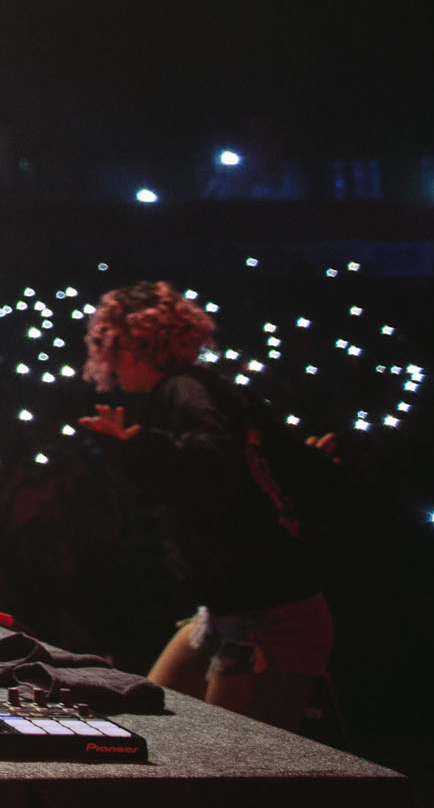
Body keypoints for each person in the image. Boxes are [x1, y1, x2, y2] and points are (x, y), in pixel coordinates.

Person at [75, 279, 339, 733]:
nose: (112, 370)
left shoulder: (182, 391)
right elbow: (270, 456)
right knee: (155, 728)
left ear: (127, 348)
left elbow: (212, 461)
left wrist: (136, 449)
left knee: (235, 771)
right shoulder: (214, 389)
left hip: (271, 617)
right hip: (232, 610)